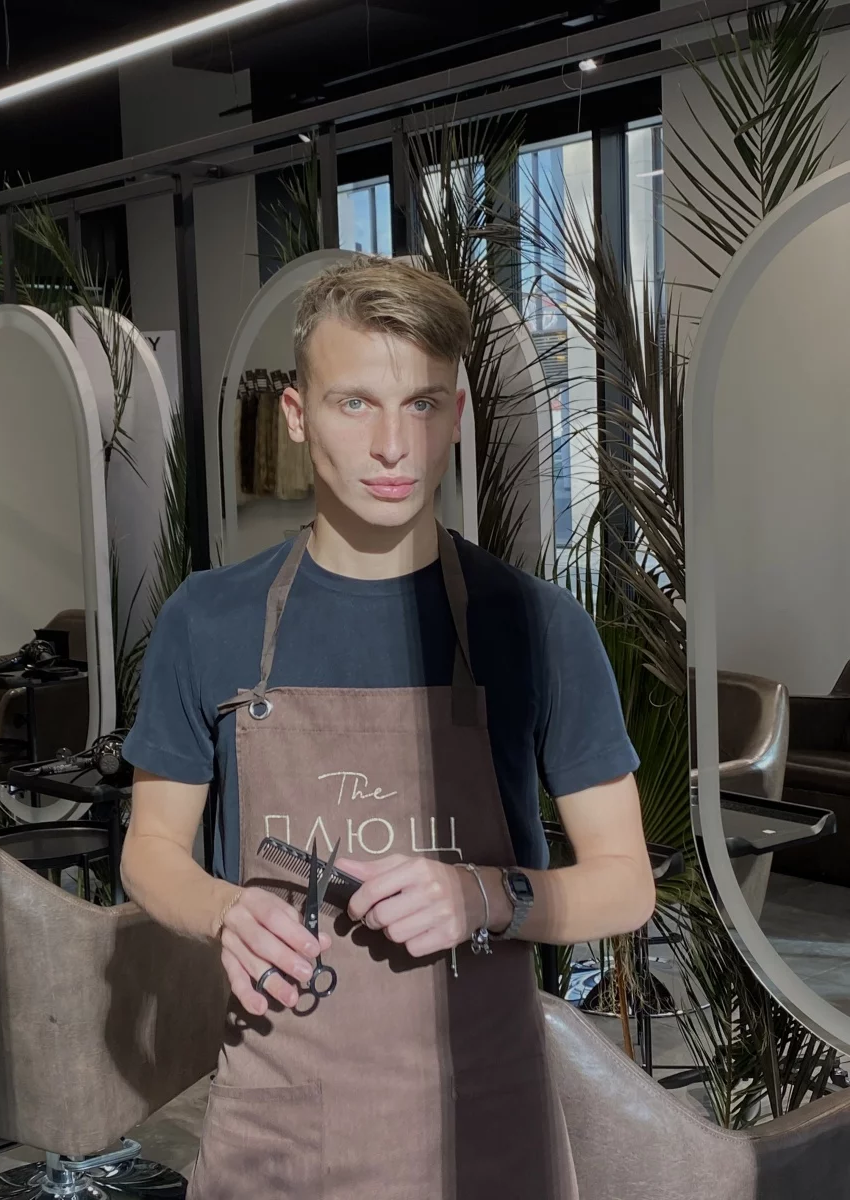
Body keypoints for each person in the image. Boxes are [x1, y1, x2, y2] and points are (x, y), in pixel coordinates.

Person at [120, 255, 656, 1200]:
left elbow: (626, 884)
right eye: (355, 403)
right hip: (280, 1119)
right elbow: (150, 850)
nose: (392, 446)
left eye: (421, 405)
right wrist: (223, 910)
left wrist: (483, 896)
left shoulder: (537, 628)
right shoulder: (207, 621)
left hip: (485, 1120)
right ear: (297, 415)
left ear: (456, 416)